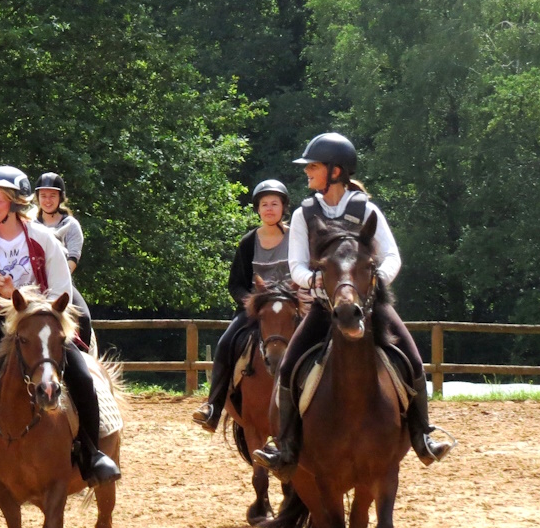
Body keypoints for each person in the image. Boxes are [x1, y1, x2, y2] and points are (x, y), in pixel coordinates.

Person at [253, 133, 454, 478]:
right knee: (287, 368)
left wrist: (373, 284)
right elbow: (296, 265)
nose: (307, 173)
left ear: (335, 171)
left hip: (369, 305)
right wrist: (317, 283)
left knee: (414, 361)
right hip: (322, 306)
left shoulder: (366, 209)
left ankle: (423, 437)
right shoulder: (304, 213)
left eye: (312, 167)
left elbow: (392, 256)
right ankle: (286, 446)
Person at [0, 166, 122, 507]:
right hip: (0, 324)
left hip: (44, 322)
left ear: (15, 203)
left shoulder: (44, 239)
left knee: (83, 379)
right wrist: (2, 301)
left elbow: (60, 290)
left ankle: (90, 455)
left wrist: (20, 297)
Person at [191, 179, 290, 432]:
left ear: (283, 207)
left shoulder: (297, 239)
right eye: (264, 204)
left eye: (274, 204)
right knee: (226, 343)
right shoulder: (248, 242)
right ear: (257, 209)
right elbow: (235, 283)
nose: (269, 209)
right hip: (255, 311)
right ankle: (212, 407)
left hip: (292, 308)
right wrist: (251, 304)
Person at [33, 172, 93, 342]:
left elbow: (73, 258)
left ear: (61, 197)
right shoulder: (30, 225)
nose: (47, 200)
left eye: (52, 196)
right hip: (32, 283)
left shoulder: (71, 225)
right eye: (43, 196)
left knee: (84, 319)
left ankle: (85, 357)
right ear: (38, 197)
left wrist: (57, 280)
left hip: (62, 282)